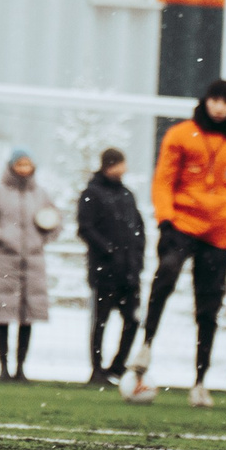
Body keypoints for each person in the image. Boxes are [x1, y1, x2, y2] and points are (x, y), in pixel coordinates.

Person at [125, 79, 226, 409]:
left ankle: (200, 381)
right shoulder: (181, 134)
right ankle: (147, 344)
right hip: (182, 225)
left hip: (218, 234)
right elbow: (163, 181)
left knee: (209, 308)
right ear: (206, 99)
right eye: (215, 99)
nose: (219, 107)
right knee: (165, 276)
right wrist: (165, 220)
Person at [0, 148, 57, 381]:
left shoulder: (40, 194)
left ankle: (21, 368)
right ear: (11, 166)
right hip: (4, 261)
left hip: (33, 261)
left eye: (27, 164)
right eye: (20, 164)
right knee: (3, 312)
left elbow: (54, 221)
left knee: (27, 314)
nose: (24, 169)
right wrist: (0, 235)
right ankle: (3, 367)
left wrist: (41, 239)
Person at [76, 147, 145, 386]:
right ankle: (97, 370)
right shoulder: (92, 193)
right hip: (105, 272)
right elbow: (85, 228)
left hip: (129, 272)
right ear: (110, 165)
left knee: (133, 320)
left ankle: (116, 367)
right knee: (101, 321)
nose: (123, 169)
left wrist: (136, 260)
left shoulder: (127, 195)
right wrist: (108, 251)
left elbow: (138, 228)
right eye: (120, 164)